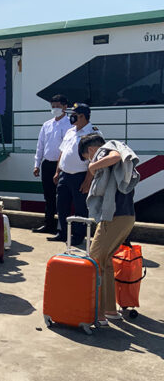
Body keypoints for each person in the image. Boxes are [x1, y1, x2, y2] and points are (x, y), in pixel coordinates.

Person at [79, 133, 139, 325]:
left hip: (113, 217)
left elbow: (114, 156)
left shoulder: (106, 150)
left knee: (94, 261)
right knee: (105, 264)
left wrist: (92, 166)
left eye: (87, 157)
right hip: (127, 217)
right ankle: (110, 310)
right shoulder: (113, 151)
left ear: (90, 150)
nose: (90, 161)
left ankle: (98, 313)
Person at [48, 103, 101, 244]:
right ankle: (63, 233)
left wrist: (88, 180)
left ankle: (78, 236)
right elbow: (62, 152)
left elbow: (94, 159)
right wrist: (57, 171)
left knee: (80, 208)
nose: (71, 117)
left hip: (81, 175)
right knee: (61, 205)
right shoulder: (70, 131)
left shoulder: (94, 133)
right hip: (64, 175)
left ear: (82, 116)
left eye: (74, 115)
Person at [32, 94, 71, 234]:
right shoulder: (47, 124)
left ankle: (62, 227)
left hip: (62, 165)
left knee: (61, 197)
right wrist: (37, 164)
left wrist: (59, 169)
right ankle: (48, 224)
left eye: (58, 106)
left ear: (65, 107)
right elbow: (40, 145)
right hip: (47, 164)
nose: (55, 109)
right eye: (53, 107)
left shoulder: (70, 125)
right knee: (48, 196)